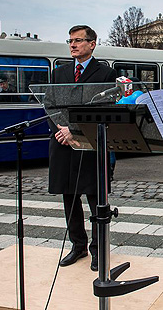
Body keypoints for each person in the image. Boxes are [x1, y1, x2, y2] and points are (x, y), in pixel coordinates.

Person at [48, 25, 117, 271]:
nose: (73, 45)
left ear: (92, 44)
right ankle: (78, 245)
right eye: (70, 41)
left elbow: (104, 111)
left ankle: (98, 250)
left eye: (78, 40)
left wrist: (74, 131)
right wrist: (61, 129)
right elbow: (50, 104)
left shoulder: (106, 74)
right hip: (62, 144)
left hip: (90, 146)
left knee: (95, 199)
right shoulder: (60, 72)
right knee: (69, 198)